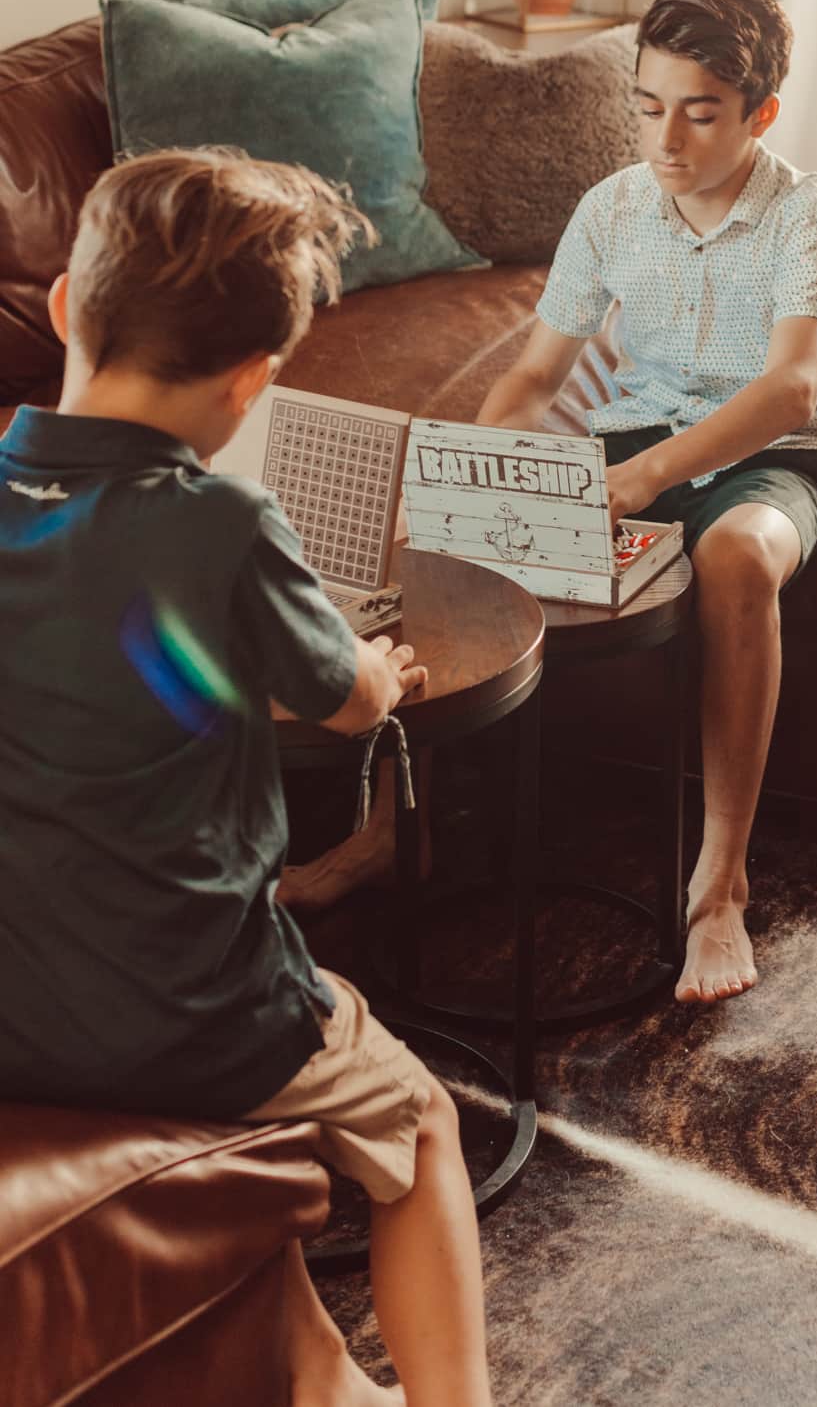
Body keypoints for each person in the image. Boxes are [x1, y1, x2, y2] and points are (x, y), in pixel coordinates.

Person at [0, 150, 493, 1407]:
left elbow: (107, 651)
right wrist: (378, 667)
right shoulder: (219, 524)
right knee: (423, 1125)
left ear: (65, 306)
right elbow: (343, 697)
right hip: (192, 1015)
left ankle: (330, 1386)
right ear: (253, 382)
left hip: (15, 1011)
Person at [478, 0, 817, 1005]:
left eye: (699, 114)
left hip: (776, 453)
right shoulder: (610, 209)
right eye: (647, 108)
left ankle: (719, 882)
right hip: (638, 433)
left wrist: (645, 477)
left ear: (759, 113)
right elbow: (533, 377)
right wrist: (472, 479)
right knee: (474, 525)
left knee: (733, 550)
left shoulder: (808, 221)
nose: (666, 142)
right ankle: (446, 825)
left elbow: (790, 388)